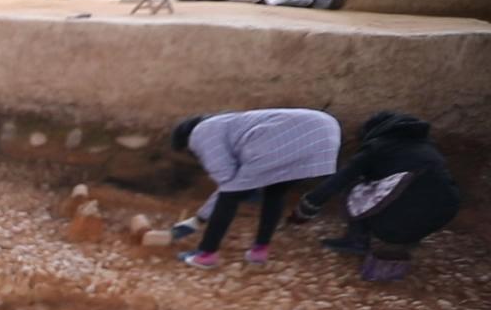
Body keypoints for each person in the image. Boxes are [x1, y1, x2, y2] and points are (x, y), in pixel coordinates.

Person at [293, 111, 462, 282]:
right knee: (414, 195)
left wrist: (304, 210)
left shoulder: (378, 146)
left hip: (403, 218)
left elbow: (338, 180)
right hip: (445, 212)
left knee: (354, 184)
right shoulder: (426, 147)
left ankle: (357, 241)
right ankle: (408, 239)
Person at [168, 108, 341, 270]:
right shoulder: (226, 123)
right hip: (325, 132)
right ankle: (259, 252)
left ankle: (206, 255)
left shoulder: (201, 133)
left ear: (186, 140)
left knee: (229, 197)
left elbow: (228, 184)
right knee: (275, 191)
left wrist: (198, 220)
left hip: (285, 140)